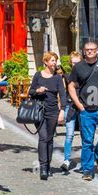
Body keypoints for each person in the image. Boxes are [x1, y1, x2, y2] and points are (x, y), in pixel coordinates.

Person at [68, 40, 98, 181]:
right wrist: (79, 105)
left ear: (97, 51)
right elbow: (71, 86)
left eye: (92, 49)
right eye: (87, 49)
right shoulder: (78, 68)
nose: (89, 51)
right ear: (84, 51)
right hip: (86, 110)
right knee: (87, 141)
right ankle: (88, 170)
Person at [29, 52, 67, 180]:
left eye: (55, 60)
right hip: (39, 111)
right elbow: (31, 91)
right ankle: (43, 168)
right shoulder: (38, 75)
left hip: (53, 111)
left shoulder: (58, 78)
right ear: (45, 62)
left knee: (50, 139)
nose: (54, 63)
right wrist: (37, 91)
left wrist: (62, 111)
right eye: (52, 60)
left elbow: (62, 95)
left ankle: (48, 165)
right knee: (43, 138)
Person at [60, 51, 83, 172]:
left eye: (77, 63)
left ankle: (85, 161)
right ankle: (66, 160)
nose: (75, 65)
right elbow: (63, 93)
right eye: (73, 63)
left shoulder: (85, 75)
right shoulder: (67, 76)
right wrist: (62, 108)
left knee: (85, 136)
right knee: (69, 135)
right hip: (70, 107)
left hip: (83, 107)